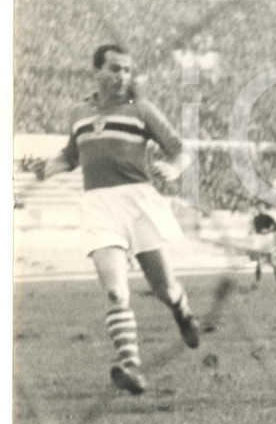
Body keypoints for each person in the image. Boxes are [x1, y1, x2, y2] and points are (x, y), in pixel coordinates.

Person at [32, 43, 201, 395]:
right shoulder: (79, 113)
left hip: (138, 202)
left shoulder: (141, 109)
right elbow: (70, 156)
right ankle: (131, 366)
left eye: (127, 70)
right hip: (98, 205)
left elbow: (182, 149)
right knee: (115, 290)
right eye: (114, 69)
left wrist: (171, 168)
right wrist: (47, 169)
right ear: (97, 71)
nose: (121, 76)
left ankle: (182, 312)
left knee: (166, 290)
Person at [250, 203, 276, 284]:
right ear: (258, 209)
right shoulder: (256, 219)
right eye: (259, 208)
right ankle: (258, 279)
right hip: (261, 239)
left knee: (272, 259)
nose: (261, 209)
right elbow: (258, 230)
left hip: (268, 239)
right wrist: (266, 230)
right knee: (259, 260)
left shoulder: (269, 218)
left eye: (262, 208)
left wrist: (270, 230)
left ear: (264, 209)